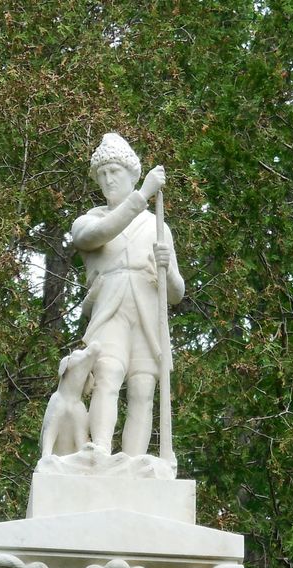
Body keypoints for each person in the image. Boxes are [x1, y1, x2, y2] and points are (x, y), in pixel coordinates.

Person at [71, 133, 185, 456]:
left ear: (131, 174)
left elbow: (176, 293)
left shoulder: (157, 227)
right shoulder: (89, 222)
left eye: (115, 171)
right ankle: (101, 452)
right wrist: (142, 196)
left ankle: (134, 463)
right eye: (102, 174)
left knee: (142, 389)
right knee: (106, 376)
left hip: (147, 313)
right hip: (111, 307)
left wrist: (169, 272)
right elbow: (100, 234)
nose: (108, 180)